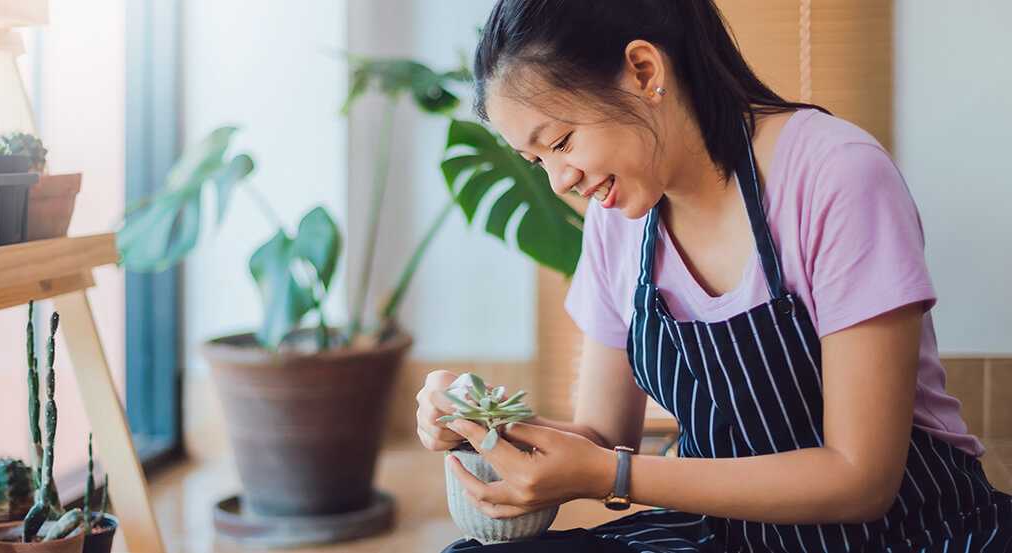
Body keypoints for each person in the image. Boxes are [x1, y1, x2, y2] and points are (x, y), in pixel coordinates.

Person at [414, 1, 1012, 551]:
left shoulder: (835, 176)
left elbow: (862, 479)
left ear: (644, 71)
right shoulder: (620, 218)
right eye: (538, 161)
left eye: (563, 142)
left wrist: (609, 475)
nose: (560, 182)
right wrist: (482, 422)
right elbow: (598, 436)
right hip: (723, 533)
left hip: (905, 528)